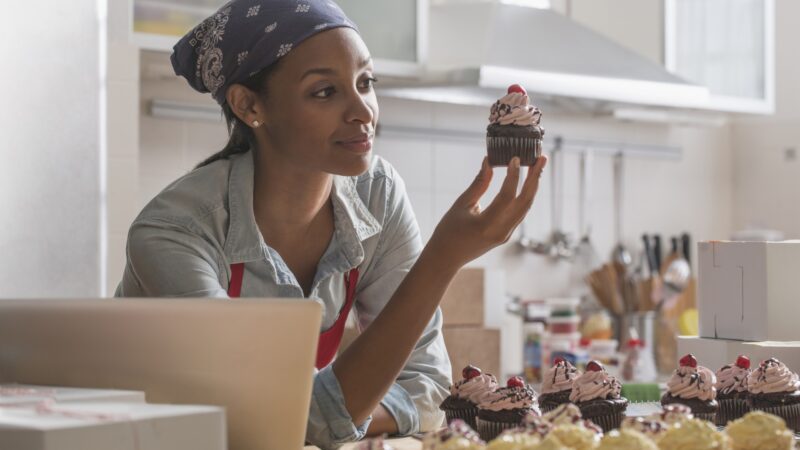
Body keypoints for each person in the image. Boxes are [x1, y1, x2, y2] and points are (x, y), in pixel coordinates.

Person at [115, 0, 547, 448]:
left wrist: (332, 417)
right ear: (248, 105)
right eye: (325, 91)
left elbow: (426, 388)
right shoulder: (176, 231)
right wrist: (442, 260)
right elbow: (264, 423)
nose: (362, 111)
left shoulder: (376, 195)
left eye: (366, 82)